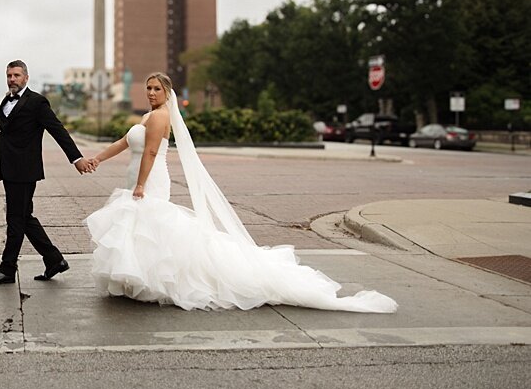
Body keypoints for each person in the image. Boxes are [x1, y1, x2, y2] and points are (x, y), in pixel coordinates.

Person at [82, 71, 397, 313]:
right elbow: (125, 142)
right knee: (141, 228)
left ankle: (154, 281)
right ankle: (138, 279)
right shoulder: (147, 116)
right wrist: (97, 158)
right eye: (148, 88)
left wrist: (140, 184)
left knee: (150, 229)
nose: (151, 93)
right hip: (138, 178)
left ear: (167, 93)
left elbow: (151, 153)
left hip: (151, 179)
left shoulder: (161, 116)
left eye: (157, 89)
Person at [0, 60, 95, 285]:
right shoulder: (5, 101)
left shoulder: (37, 102)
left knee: (15, 219)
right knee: (24, 218)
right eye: (9, 75)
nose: (12, 79)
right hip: (9, 168)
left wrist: (76, 158)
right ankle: (54, 260)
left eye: (16, 75)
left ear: (26, 77)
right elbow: (4, 135)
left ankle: (7, 269)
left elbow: (57, 130)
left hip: (25, 170)